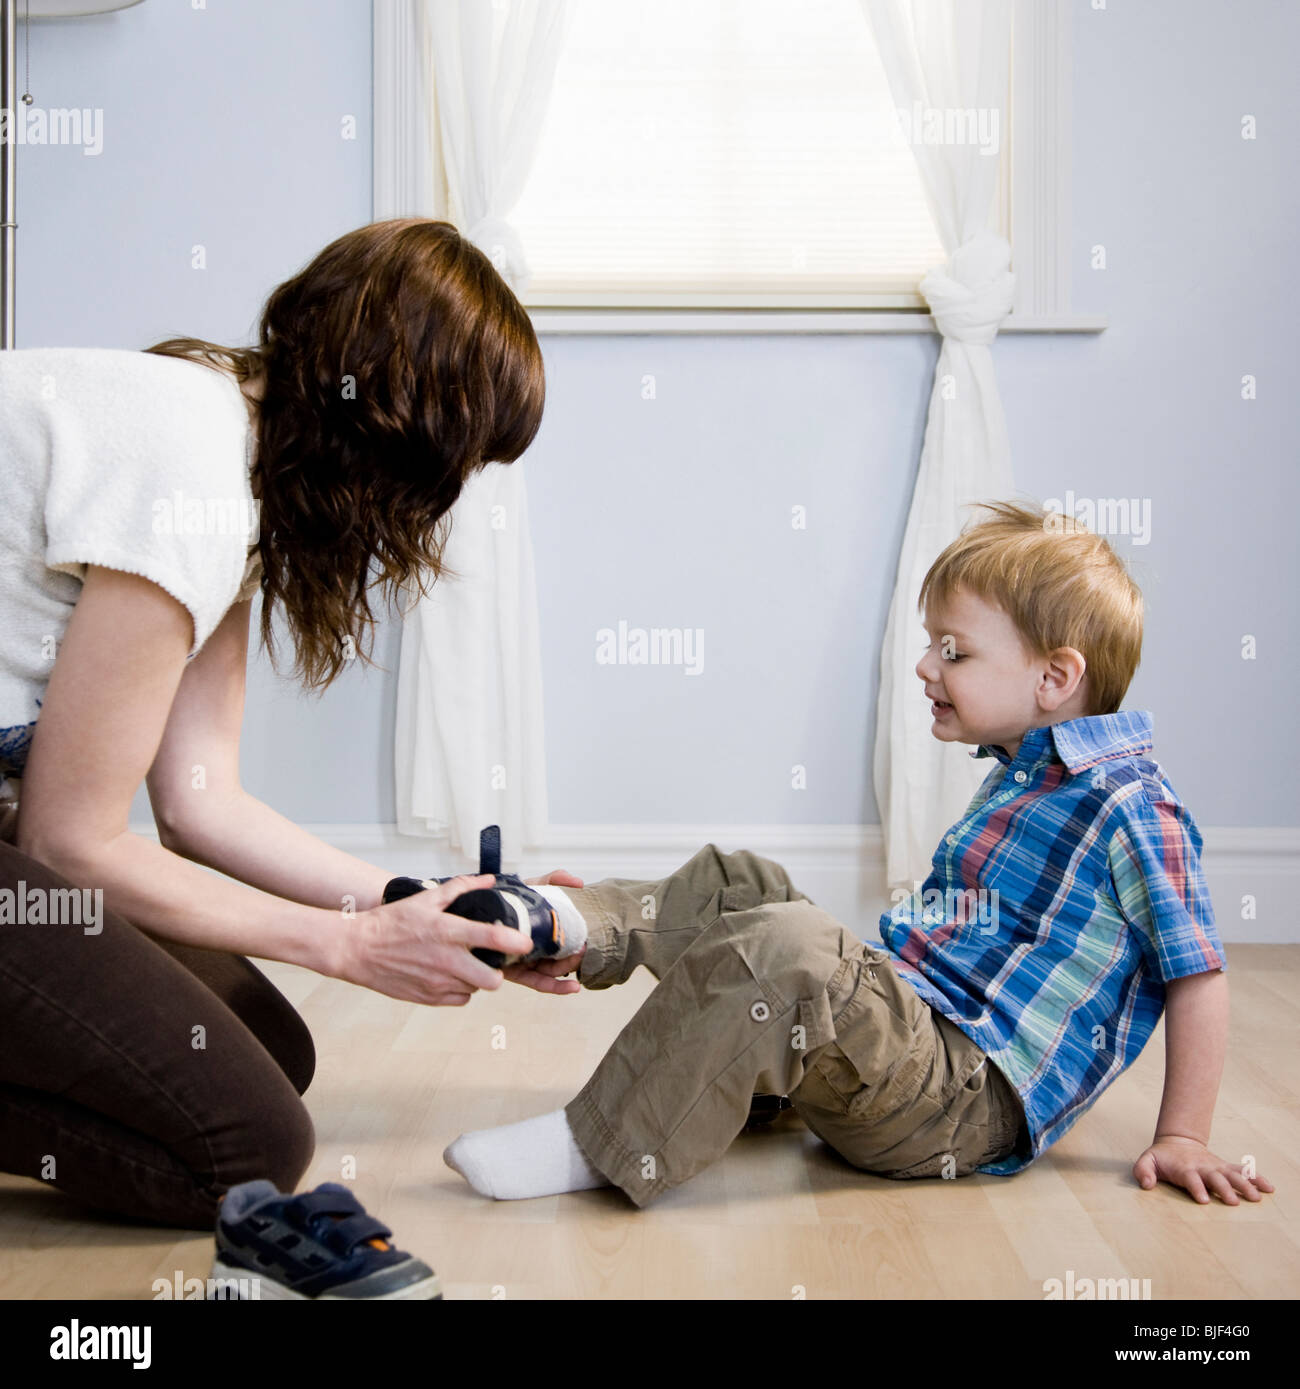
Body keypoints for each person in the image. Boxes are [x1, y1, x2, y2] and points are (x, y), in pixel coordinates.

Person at [0, 218, 586, 1229]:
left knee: (273, 1050)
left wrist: (421, 901)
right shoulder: (184, 466)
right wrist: (350, 949)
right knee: (242, 1144)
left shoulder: (232, 455)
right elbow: (69, 843)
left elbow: (197, 802)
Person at [444, 501, 1275, 1211]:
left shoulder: (1134, 807)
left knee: (792, 950)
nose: (925, 665)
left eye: (954, 650)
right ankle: (560, 920)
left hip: (960, 1102)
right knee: (747, 885)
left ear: (1055, 676)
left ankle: (603, 1144)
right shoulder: (1029, 776)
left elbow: (1197, 971)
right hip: (914, 1053)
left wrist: (1182, 1135)